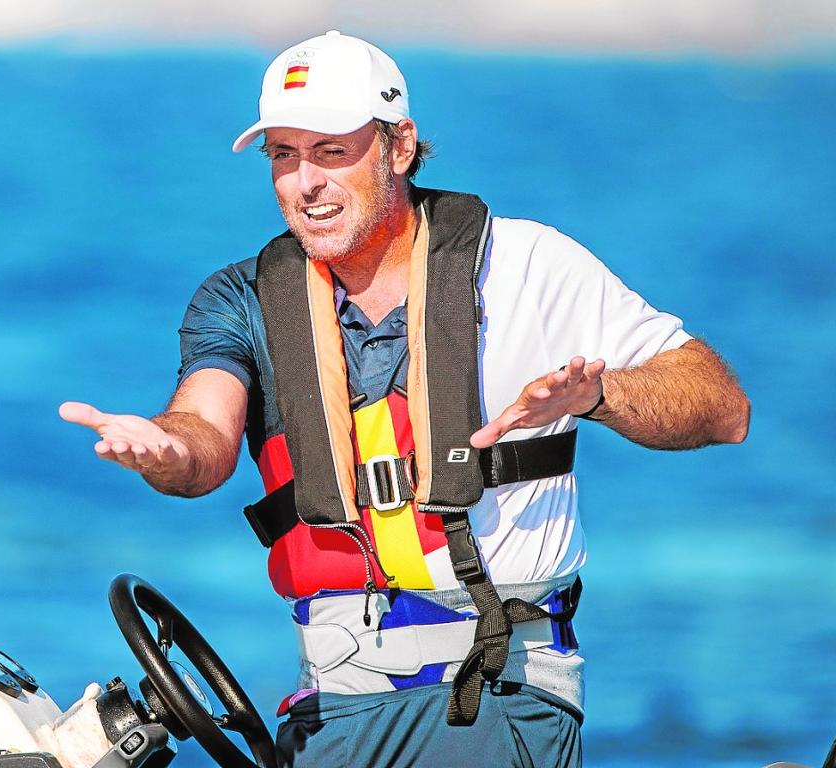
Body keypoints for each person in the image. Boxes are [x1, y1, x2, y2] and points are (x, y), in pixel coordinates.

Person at [60, 30, 749, 768]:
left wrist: (601, 393)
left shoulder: (528, 266)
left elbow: (721, 406)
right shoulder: (244, 299)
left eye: (331, 151)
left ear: (399, 146)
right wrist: (165, 450)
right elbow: (202, 432)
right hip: (332, 711)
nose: (305, 183)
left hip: (495, 695)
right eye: (283, 156)